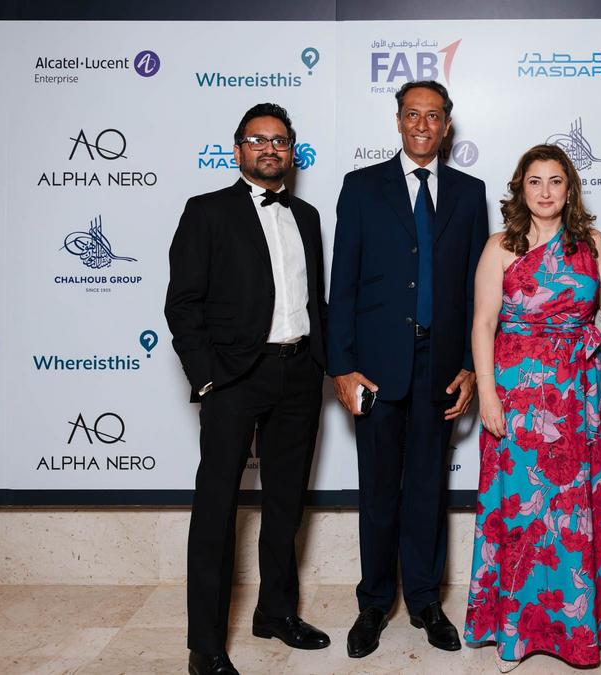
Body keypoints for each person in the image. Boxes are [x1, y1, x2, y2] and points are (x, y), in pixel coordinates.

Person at [165, 103, 331, 675]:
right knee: (217, 509)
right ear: (237, 149)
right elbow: (182, 304)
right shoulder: (206, 211)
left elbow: (314, 299)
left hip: (299, 373)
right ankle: (205, 645)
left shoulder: (306, 215)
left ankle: (275, 612)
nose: (269, 149)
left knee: (285, 503)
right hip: (234, 378)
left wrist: (325, 364)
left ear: (292, 152)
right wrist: (209, 377)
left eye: (279, 141)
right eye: (258, 140)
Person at [327, 80, 489, 659]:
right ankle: (374, 602)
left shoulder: (470, 193)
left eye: (434, 116)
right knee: (378, 490)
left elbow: (476, 290)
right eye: (413, 114)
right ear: (398, 121)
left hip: (440, 365)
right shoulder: (361, 186)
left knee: (427, 488)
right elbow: (342, 281)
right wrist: (342, 366)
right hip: (375, 368)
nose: (423, 125)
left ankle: (424, 600)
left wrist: (471, 366)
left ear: (447, 125)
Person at [463, 144, 601, 672]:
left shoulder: (592, 243)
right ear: (521, 188)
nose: (545, 191)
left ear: (569, 189)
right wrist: (487, 394)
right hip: (516, 393)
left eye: (555, 181)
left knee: (573, 509)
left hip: (578, 396)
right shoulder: (500, 247)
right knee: (521, 510)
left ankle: (575, 631)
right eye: (534, 181)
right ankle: (514, 630)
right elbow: (483, 324)